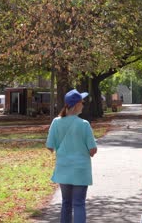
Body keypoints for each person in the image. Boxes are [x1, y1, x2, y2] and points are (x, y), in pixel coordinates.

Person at [46, 89, 98, 223]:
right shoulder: (84, 124)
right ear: (76, 105)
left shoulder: (56, 122)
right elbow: (92, 150)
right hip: (80, 170)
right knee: (79, 203)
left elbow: (50, 146)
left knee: (66, 203)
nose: (84, 105)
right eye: (82, 102)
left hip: (63, 168)